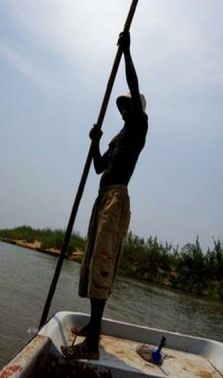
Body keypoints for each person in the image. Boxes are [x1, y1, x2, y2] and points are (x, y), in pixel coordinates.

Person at [61, 31, 148, 360]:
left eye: (128, 103)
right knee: (91, 260)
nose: (124, 107)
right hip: (101, 199)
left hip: (116, 199)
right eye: (122, 104)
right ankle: (92, 329)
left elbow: (134, 84)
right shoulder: (117, 136)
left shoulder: (139, 127)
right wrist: (96, 140)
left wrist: (127, 52)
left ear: (136, 107)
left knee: (102, 261)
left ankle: (93, 345)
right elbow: (98, 167)